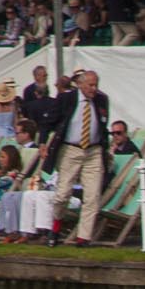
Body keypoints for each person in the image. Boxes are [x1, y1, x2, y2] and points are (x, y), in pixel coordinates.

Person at [46, 69, 111, 246]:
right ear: (80, 84)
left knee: (92, 196)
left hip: (93, 151)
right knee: (62, 194)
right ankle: (56, 226)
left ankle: (84, 237)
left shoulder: (102, 99)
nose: (94, 89)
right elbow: (49, 121)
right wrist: (44, 142)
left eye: (96, 85)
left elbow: (103, 123)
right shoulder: (66, 99)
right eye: (90, 85)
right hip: (70, 150)